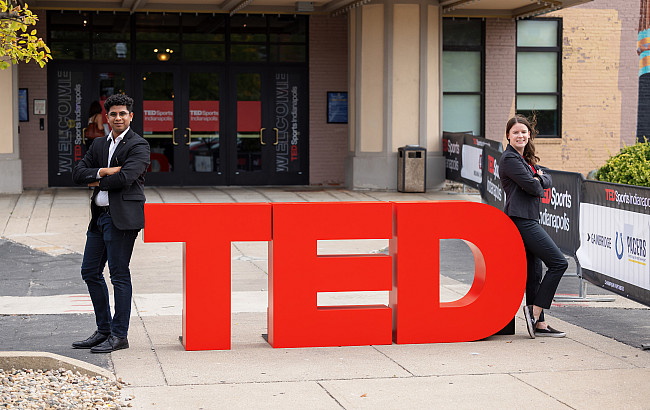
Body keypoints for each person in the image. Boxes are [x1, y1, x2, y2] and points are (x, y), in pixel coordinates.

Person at [71, 94, 150, 353]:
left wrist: (95, 178)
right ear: (107, 116)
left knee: (118, 275)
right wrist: (104, 171)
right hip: (100, 217)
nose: (118, 118)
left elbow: (126, 179)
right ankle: (103, 330)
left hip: (123, 219)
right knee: (90, 272)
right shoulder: (98, 145)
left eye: (122, 114)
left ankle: (119, 335)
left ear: (131, 116)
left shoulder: (139, 146)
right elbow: (77, 174)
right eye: (113, 114)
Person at [498, 114, 568, 339]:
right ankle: (534, 312)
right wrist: (538, 179)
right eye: (515, 132)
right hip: (521, 220)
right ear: (508, 136)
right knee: (559, 263)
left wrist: (538, 178)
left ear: (529, 135)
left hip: (528, 218)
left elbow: (547, 179)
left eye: (524, 132)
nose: (520, 135)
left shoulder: (524, 159)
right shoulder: (510, 159)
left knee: (534, 273)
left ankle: (540, 324)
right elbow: (536, 188)